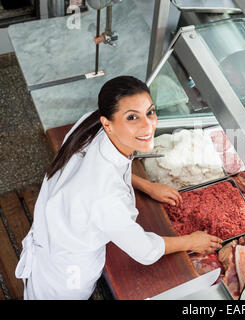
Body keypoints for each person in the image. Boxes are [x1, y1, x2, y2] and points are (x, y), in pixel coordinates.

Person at [15, 76, 223, 300]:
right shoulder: (104, 197)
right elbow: (145, 250)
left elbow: (105, 169)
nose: (148, 125)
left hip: (53, 235)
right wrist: (191, 241)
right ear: (108, 123)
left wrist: (146, 185)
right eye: (132, 117)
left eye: (150, 112)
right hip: (65, 278)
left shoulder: (91, 124)